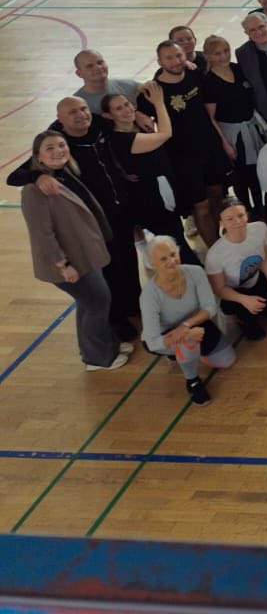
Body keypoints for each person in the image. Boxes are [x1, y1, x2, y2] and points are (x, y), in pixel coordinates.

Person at [20, 130, 130, 371]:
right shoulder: (34, 191)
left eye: (61, 145)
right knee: (98, 303)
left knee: (89, 303)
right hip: (69, 262)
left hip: (85, 254)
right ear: (37, 156)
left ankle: (100, 347)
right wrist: (63, 265)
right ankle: (98, 359)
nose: (58, 151)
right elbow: (42, 235)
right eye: (50, 148)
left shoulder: (64, 173)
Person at [102, 88, 200, 266]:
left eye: (127, 104)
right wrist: (158, 102)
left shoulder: (138, 126)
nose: (126, 110)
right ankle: (192, 269)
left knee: (176, 235)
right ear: (108, 115)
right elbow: (166, 134)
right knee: (173, 238)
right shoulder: (123, 140)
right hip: (151, 199)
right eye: (118, 108)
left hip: (163, 189)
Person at [146, 38, 230, 244]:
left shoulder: (195, 75)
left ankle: (223, 243)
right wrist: (140, 115)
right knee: (201, 207)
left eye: (178, 56)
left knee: (217, 195)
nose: (175, 61)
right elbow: (138, 114)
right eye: (169, 58)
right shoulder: (153, 90)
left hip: (210, 148)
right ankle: (213, 250)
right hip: (182, 158)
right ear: (159, 61)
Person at [140, 235, 236, 406]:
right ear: (152, 264)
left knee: (226, 361)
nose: (171, 261)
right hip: (166, 336)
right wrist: (186, 334)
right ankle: (192, 381)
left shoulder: (195, 272)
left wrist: (186, 325)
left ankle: (186, 353)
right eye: (163, 259)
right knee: (187, 342)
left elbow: (210, 307)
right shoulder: (149, 295)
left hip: (195, 323)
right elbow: (152, 342)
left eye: (173, 254)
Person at [201, 34, 267, 218]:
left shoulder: (238, 69)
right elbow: (211, 117)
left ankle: (260, 209)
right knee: (240, 176)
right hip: (232, 134)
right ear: (208, 56)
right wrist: (224, 142)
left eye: (226, 51)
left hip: (251, 128)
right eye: (217, 53)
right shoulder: (209, 82)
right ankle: (246, 211)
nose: (223, 56)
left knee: (255, 172)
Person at [205, 202, 267, 340]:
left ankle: (259, 307)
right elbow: (219, 288)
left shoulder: (260, 228)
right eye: (230, 219)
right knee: (255, 334)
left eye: (241, 215)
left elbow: (266, 260)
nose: (238, 221)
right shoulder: (215, 254)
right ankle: (238, 315)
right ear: (221, 223)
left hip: (256, 280)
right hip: (234, 292)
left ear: (247, 215)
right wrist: (244, 300)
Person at [71, 48, 143, 113]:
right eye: (90, 66)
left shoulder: (129, 86)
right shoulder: (76, 103)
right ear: (79, 73)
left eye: (100, 62)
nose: (98, 67)